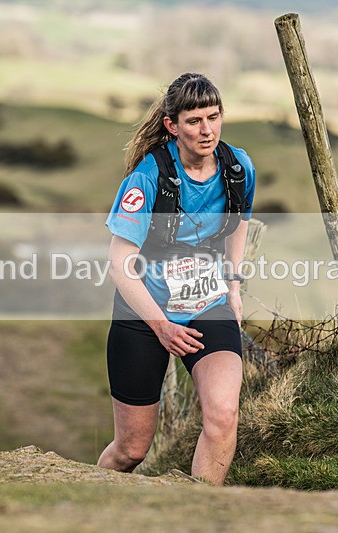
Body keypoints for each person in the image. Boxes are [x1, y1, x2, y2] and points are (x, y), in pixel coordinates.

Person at [97, 73, 256, 485]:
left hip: (208, 304)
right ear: (172, 125)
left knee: (222, 416)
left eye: (214, 117)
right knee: (131, 450)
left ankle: (198, 513)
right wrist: (160, 325)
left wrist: (234, 287)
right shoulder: (147, 179)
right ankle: (91, 502)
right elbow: (119, 263)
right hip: (144, 312)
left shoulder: (238, 168)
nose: (207, 130)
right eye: (194, 120)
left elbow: (240, 223)